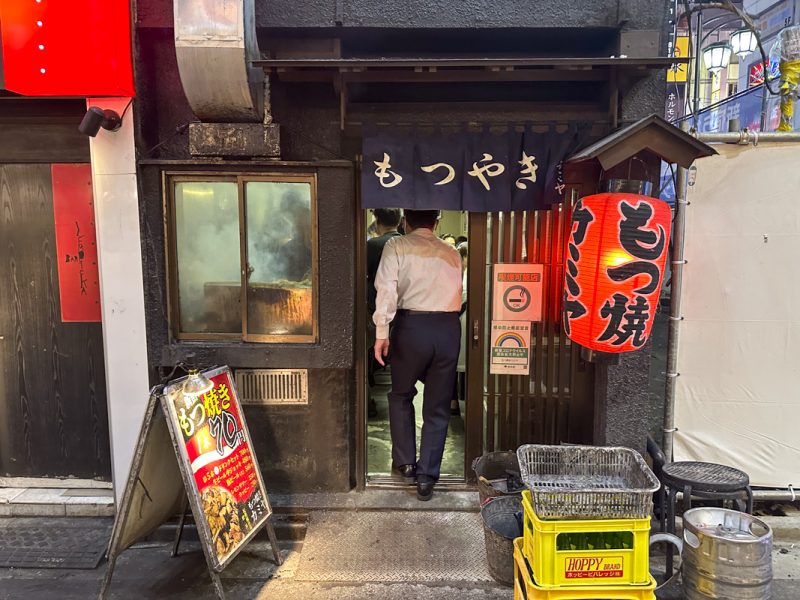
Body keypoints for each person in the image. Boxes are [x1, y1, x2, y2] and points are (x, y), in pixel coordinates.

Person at [373, 209, 463, 501]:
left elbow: (386, 289)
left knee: (400, 395)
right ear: (436, 222)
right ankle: (427, 478)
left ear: (405, 221)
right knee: (437, 405)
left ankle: (406, 464)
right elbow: (458, 296)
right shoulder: (452, 253)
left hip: (411, 327)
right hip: (448, 329)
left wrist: (381, 333)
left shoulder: (396, 245)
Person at [366, 209, 402, 417]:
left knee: (369, 356)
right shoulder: (405, 244)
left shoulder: (372, 246)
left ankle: (368, 400)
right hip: (403, 313)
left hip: (374, 310)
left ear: (377, 220)